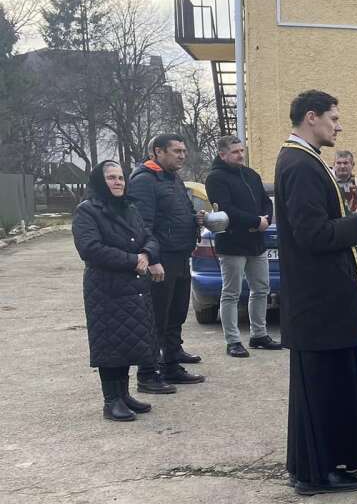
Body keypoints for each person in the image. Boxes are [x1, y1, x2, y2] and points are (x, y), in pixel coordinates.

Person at [275, 90, 357, 495]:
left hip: (319, 303)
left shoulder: (303, 160)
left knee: (322, 390)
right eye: (333, 118)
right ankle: (316, 473)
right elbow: (313, 235)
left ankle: (316, 466)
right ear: (312, 117)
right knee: (320, 392)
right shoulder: (301, 165)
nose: (338, 126)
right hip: (318, 304)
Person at [72, 161, 161, 422]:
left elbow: (149, 236)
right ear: (100, 181)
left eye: (121, 177)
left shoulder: (129, 207)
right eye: (111, 177)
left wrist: (146, 254)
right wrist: (132, 260)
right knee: (110, 343)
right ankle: (111, 401)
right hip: (106, 289)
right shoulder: (87, 211)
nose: (118, 182)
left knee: (127, 341)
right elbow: (90, 248)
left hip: (134, 287)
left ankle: (123, 395)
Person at [128, 134, 205, 394]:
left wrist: (195, 219)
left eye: (183, 151)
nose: (182, 155)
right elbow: (141, 225)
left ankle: (171, 364)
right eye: (176, 151)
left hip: (180, 256)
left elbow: (175, 214)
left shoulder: (172, 178)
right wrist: (152, 259)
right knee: (156, 319)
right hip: (161, 260)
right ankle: (147, 374)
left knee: (176, 314)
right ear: (158, 152)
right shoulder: (144, 180)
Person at [204, 135, 280, 357]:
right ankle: (233, 341)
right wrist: (256, 221)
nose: (240, 155)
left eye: (242, 150)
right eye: (235, 152)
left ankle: (259, 335)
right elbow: (226, 210)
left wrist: (266, 218)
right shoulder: (215, 178)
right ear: (222, 154)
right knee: (231, 293)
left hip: (256, 243)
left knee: (262, 289)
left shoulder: (251, 174)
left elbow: (266, 202)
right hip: (232, 243)